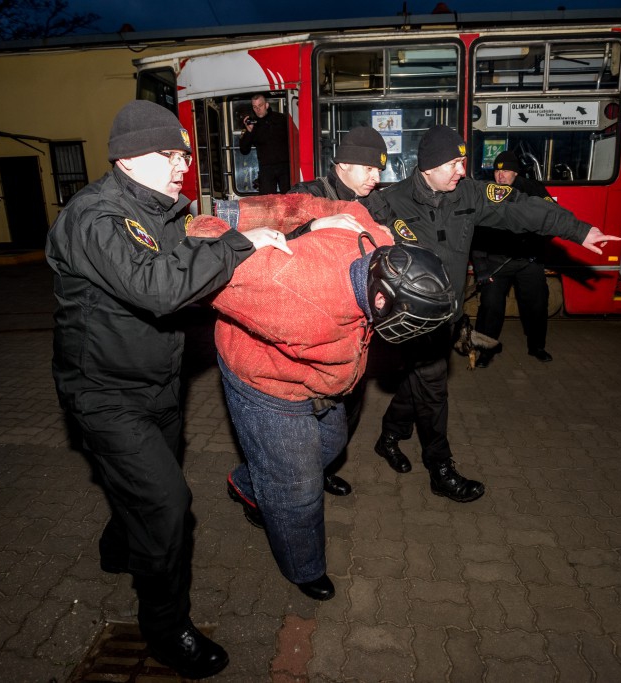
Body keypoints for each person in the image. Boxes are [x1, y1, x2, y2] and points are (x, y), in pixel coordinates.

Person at [46, 100, 293, 680]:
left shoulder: (160, 210)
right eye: (170, 153)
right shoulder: (96, 217)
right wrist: (241, 245)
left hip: (157, 382)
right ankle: (166, 629)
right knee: (168, 503)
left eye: (184, 152)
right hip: (104, 392)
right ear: (128, 159)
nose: (183, 163)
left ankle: (120, 546)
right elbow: (160, 289)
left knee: (142, 483)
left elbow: (186, 261)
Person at [185, 195, 456, 601]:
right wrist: (220, 221)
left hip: (325, 383)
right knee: (297, 490)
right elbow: (203, 260)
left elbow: (327, 205)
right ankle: (303, 566)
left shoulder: (377, 241)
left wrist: (314, 220)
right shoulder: (285, 289)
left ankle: (250, 482)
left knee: (329, 445)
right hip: (267, 383)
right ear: (381, 299)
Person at [374, 125, 621, 502]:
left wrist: (577, 230)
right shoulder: (391, 202)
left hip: (449, 316)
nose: (462, 170)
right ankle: (440, 469)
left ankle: (389, 436)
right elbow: (346, 234)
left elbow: (520, 206)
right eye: (454, 163)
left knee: (418, 385)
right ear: (428, 166)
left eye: (463, 162)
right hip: (412, 323)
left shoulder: (468, 193)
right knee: (433, 388)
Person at [289, 124, 391, 497]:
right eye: (369, 169)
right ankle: (292, 477)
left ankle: (325, 465)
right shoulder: (309, 194)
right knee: (310, 410)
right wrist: (315, 224)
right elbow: (271, 238)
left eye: (380, 170)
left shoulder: (374, 201)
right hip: (315, 322)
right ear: (344, 164)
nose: (375, 178)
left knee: (349, 402)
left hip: (356, 324)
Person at [469, 150, 556, 367]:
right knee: (490, 307)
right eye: (497, 171)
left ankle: (537, 347)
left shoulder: (532, 189)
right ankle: (485, 352)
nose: (501, 175)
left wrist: (534, 238)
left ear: (515, 173)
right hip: (497, 262)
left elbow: (554, 217)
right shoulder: (487, 192)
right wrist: (481, 269)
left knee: (537, 305)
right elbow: (475, 234)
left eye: (506, 170)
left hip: (528, 261)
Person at [239, 93, 291, 194]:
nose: (258, 109)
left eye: (260, 105)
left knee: (289, 199)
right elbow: (244, 150)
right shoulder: (252, 124)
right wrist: (249, 132)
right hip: (266, 169)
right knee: (267, 203)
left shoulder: (281, 119)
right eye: (255, 107)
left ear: (266, 105)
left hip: (285, 167)